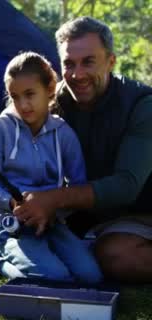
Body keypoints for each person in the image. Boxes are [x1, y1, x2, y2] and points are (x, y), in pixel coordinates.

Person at [13, 16, 152, 283]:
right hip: (93, 217)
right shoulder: (53, 102)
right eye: (68, 64)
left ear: (111, 61)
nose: (77, 75)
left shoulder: (142, 105)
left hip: (142, 210)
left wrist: (52, 199)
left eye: (88, 62)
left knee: (115, 257)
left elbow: (127, 185)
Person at [0, 51, 103, 284]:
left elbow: (78, 188)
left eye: (30, 94)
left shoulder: (64, 134)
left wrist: (51, 212)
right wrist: (12, 203)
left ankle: (43, 254)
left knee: (92, 276)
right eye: (15, 97)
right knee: (55, 277)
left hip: (54, 224)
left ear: (50, 90)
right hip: (12, 225)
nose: (23, 105)